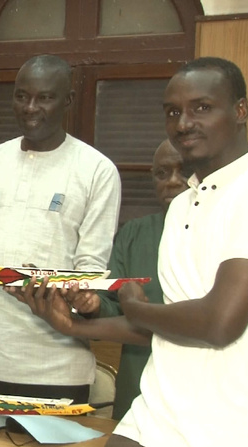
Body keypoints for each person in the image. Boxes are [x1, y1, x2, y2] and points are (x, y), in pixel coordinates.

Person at [15, 57, 248, 447]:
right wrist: (74, 327)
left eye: (202, 108)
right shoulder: (181, 206)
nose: (183, 123)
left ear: (240, 110)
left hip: (238, 429)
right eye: (173, 112)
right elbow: (169, 321)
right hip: (155, 420)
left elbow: (219, 322)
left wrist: (134, 304)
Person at [0, 54, 121, 403]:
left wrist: (81, 296)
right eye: (22, 96)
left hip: (55, 371)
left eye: (44, 98)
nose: (30, 107)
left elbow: (90, 269)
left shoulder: (97, 170)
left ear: (67, 101)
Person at [95, 139, 188, 420]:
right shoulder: (134, 233)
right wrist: (88, 305)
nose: (172, 182)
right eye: (162, 173)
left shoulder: (223, 232)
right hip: (138, 393)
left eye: (182, 171)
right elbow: (109, 306)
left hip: (198, 394)